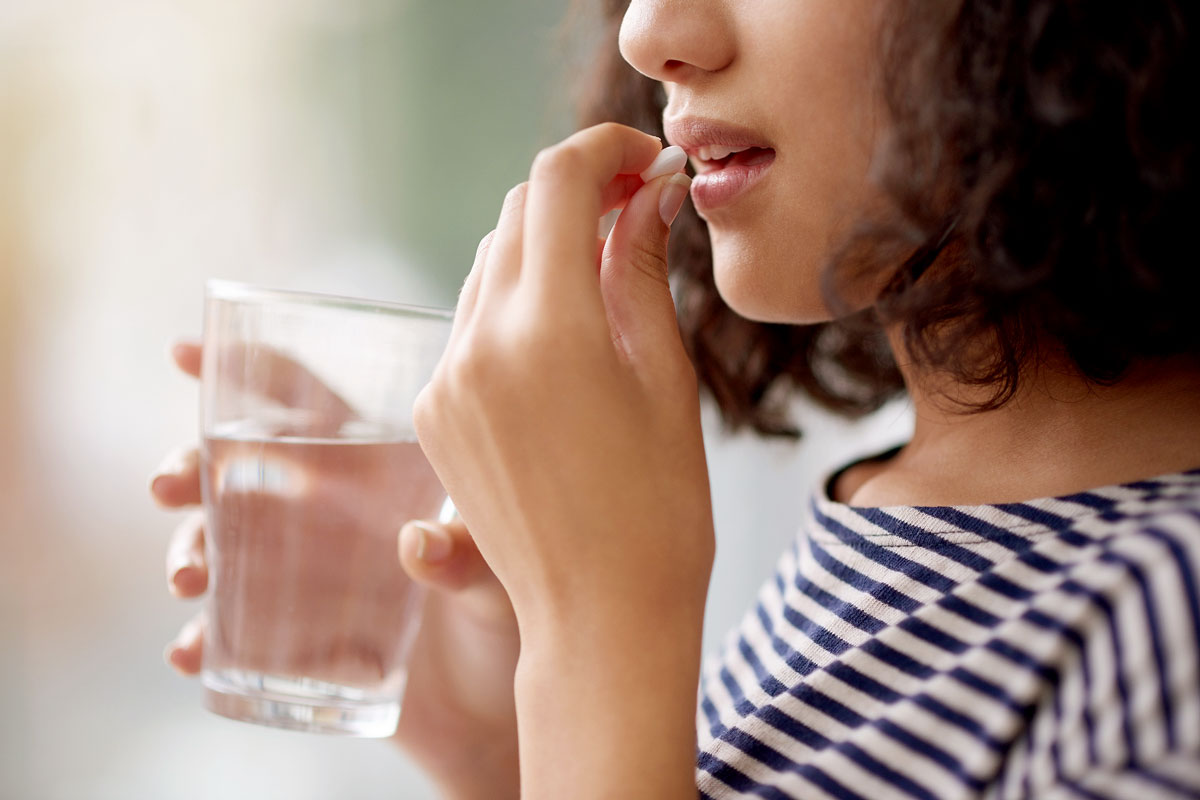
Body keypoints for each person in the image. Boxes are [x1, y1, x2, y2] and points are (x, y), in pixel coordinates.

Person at [151, 0, 1200, 797]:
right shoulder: (892, 513)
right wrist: (508, 735)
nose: (650, 33)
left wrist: (597, 634)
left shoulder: (1167, 637)